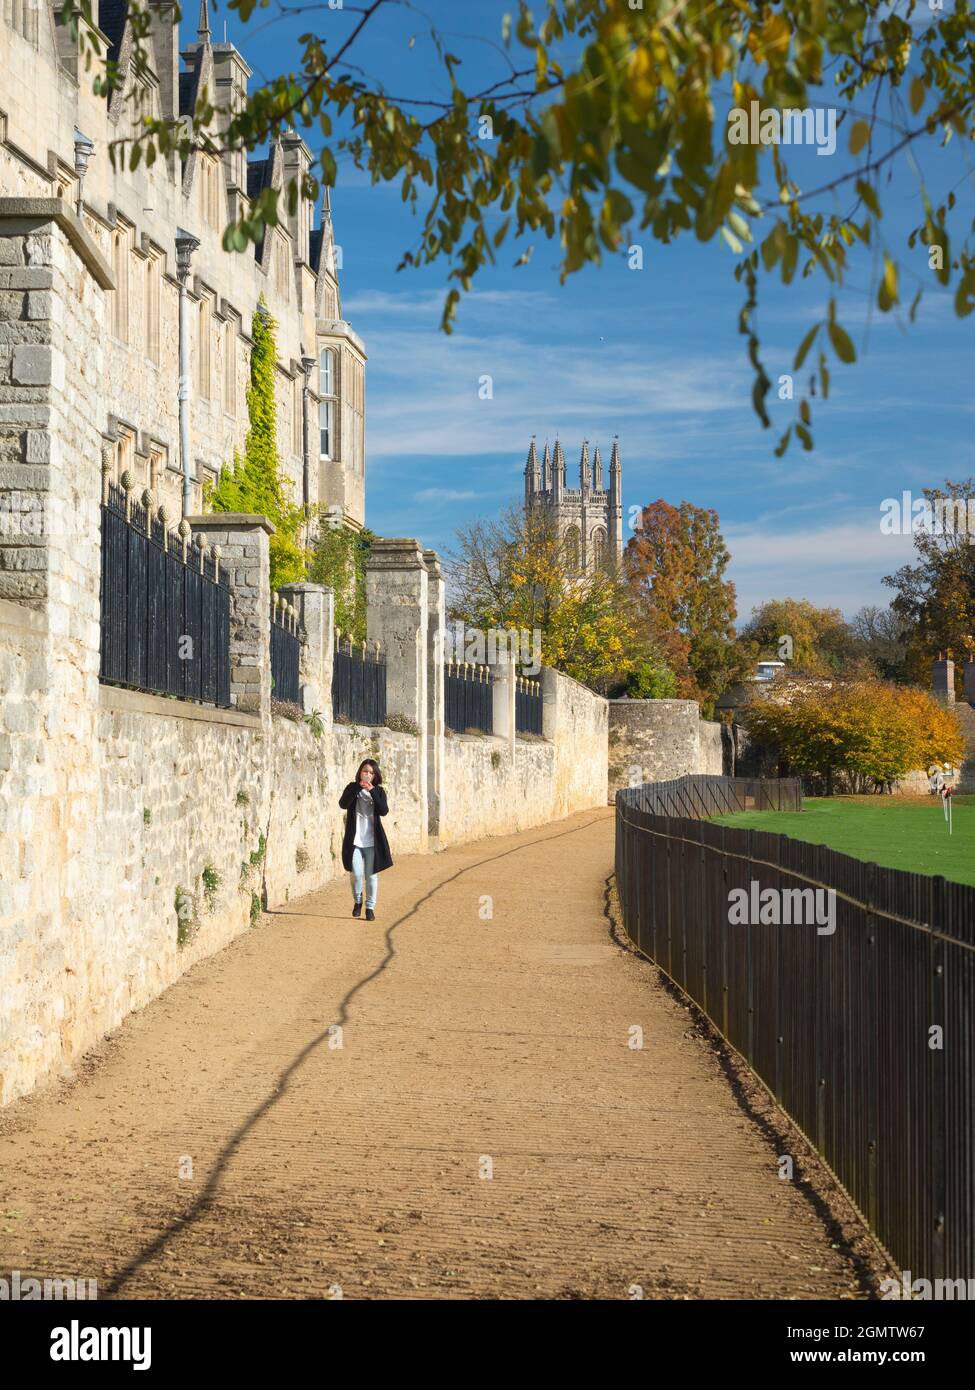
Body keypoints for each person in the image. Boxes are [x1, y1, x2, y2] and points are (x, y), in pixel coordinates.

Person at [338, 759, 392, 921]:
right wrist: (357, 789)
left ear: (375, 775)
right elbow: (342, 804)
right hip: (354, 840)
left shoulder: (379, 791)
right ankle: (358, 901)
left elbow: (383, 811)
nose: (367, 774)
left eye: (370, 772)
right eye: (364, 771)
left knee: (371, 875)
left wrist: (372, 791)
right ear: (360, 773)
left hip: (372, 841)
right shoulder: (352, 788)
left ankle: (370, 908)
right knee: (356, 872)